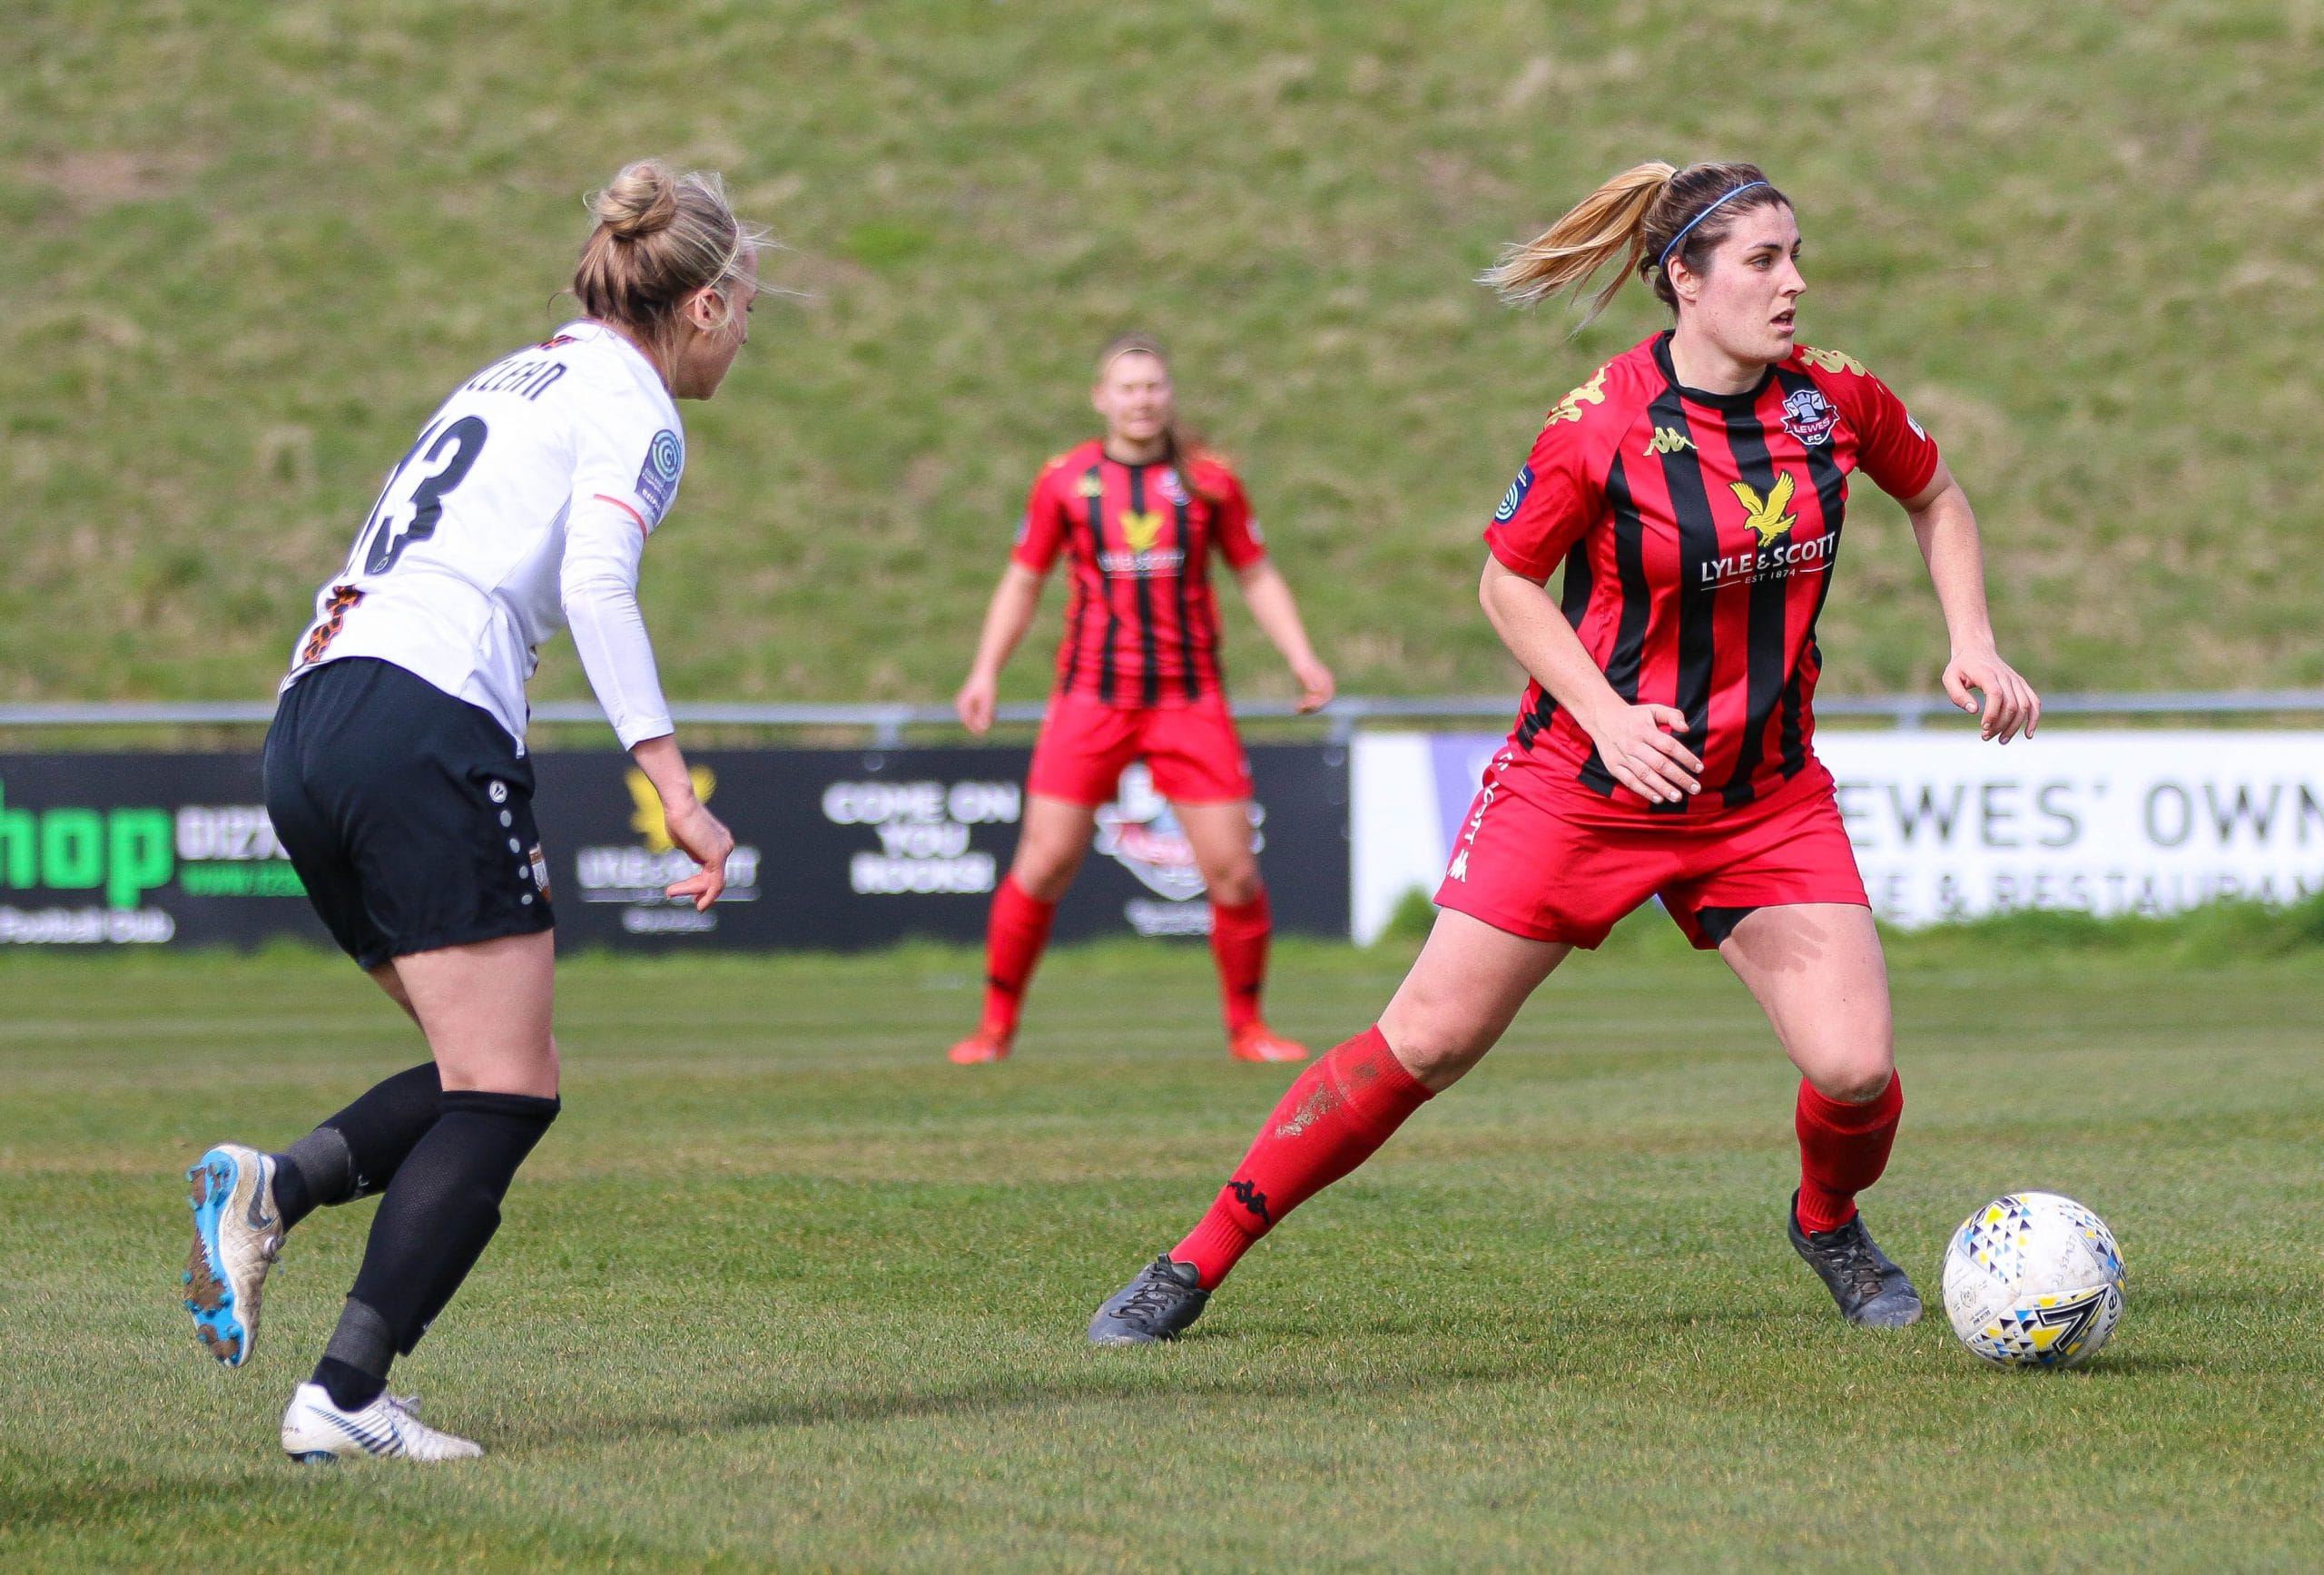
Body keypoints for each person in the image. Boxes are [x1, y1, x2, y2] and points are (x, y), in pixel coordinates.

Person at [1088, 160, 2042, 1344]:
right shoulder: (1603, 423)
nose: (1794, 284)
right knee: (1426, 1039)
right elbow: (1507, 581)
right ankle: (1193, 1258)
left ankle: (1826, 1219)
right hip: (1582, 789)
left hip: (1760, 798)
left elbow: (1938, 493)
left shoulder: (1833, 400)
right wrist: (1607, 714)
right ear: (1684, 280)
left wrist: (1974, 640)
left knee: (1853, 1068)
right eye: (1763, 261)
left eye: (1797, 256)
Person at [181, 160, 759, 1460]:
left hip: (313, 713)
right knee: (505, 1089)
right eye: (747, 312)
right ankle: (342, 1398)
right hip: (423, 721)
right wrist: (676, 786)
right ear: (707, 304)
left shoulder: (514, 372)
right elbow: (601, 587)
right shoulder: (640, 408)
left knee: (476, 1072)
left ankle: (277, 1185)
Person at [947, 335, 1336, 1066]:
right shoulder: (1064, 481)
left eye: (1154, 387)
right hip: (1090, 699)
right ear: (1102, 398)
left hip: (1189, 701)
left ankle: (1247, 1029)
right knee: (1045, 864)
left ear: (1168, 394)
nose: (1142, 400)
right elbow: (1023, 579)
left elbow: (1255, 573)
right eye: (1128, 388)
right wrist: (985, 670)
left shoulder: (1209, 481)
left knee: (1233, 870)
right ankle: (994, 1028)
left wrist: (1302, 657)